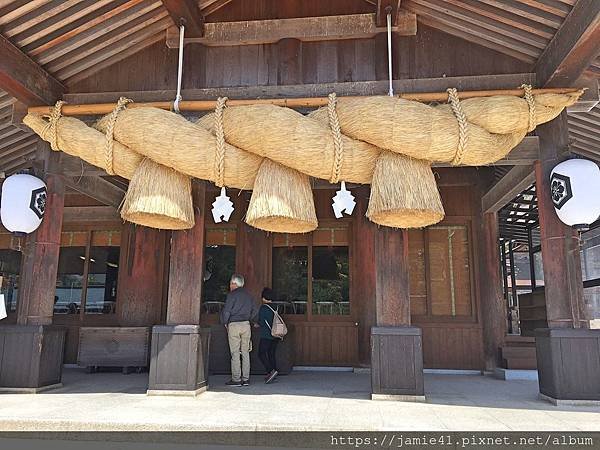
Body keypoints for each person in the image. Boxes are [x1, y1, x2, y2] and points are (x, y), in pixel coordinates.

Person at [220, 273, 258, 387]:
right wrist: (252, 321)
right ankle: (246, 379)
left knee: (235, 353)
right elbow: (255, 311)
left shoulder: (231, 296)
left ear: (235, 284)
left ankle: (236, 379)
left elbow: (226, 311)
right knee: (246, 352)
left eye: (231, 283)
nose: (230, 286)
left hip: (234, 325)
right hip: (246, 325)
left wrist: (225, 322)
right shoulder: (249, 295)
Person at [257, 287, 280, 384]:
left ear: (264, 297)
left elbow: (261, 322)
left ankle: (271, 371)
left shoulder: (264, 308)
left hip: (266, 334)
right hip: (276, 334)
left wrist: (256, 324)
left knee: (261, 353)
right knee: (271, 353)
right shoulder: (276, 307)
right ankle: (273, 371)